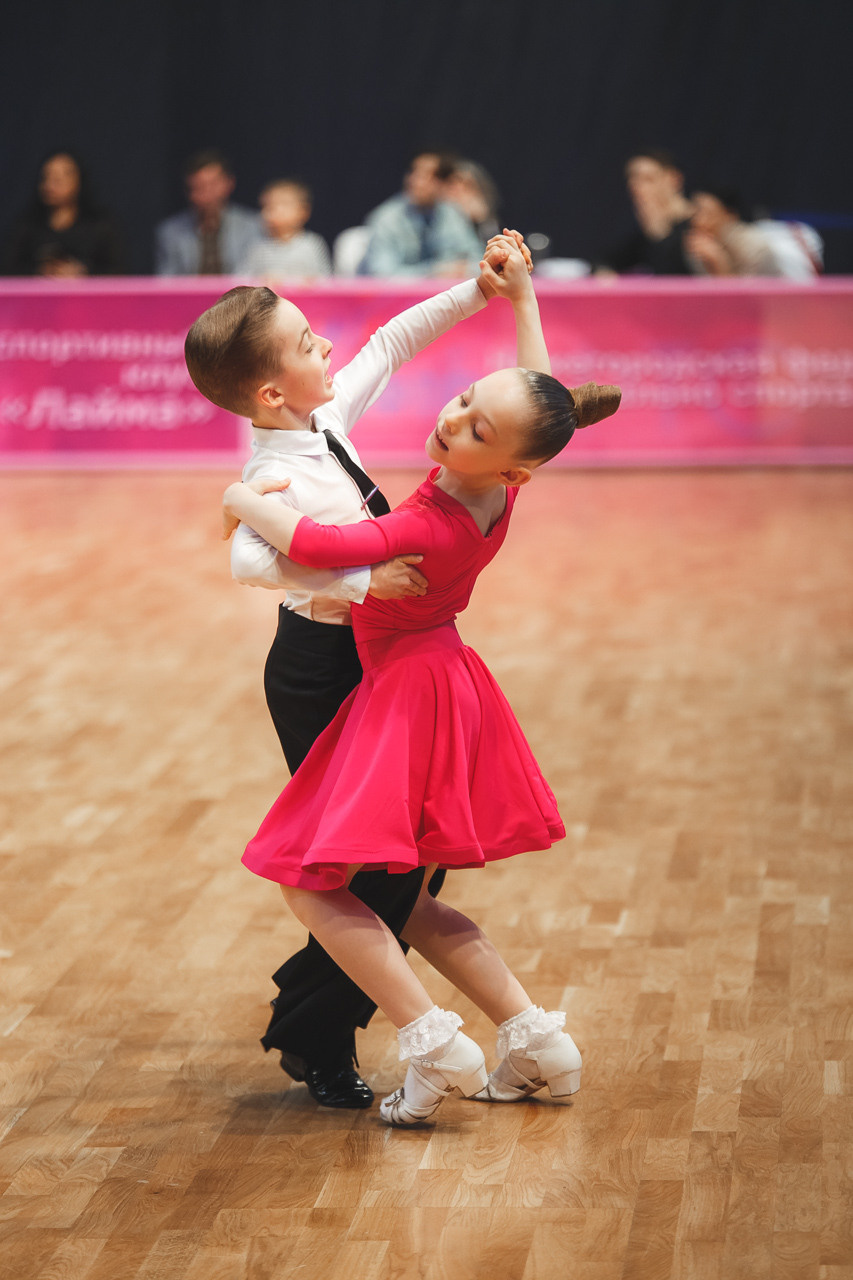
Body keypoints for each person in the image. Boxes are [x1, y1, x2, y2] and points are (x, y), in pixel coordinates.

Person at [221, 238, 621, 1126]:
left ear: (512, 461)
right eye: (464, 404)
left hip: (392, 684)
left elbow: (319, 539)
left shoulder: (422, 506)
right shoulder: (492, 487)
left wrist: (243, 507)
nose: (458, 419)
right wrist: (518, 305)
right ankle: (525, 1041)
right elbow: (535, 409)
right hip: (378, 672)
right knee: (393, 887)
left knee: (354, 884)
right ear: (268, 388)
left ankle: (427, 1041)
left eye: (480, 424)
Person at [185, 232, 531, 1110]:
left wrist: (474, 293)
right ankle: (324, 1039)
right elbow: (249, 567)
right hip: (320, 668)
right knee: (371, 871)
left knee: (403, 870)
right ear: (270, 390)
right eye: (307, 345)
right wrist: (358, 577)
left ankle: (334, 1026)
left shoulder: (321, 419)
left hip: (386, 661)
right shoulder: (269, 469)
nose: (327, 346)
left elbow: (389, 342)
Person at [360, 150, 484, 277]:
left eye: (428, 177)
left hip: (441, 294)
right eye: (414, 173)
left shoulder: (451, 214)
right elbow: (381, 275)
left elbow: (477, 260)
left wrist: (461, 270)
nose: (416, 182)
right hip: (393, 296)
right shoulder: (386, 219)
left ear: (443, 183)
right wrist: (433, 273)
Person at [3, 149, 123, 277]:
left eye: (60, 177)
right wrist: (39, 272)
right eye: (47, 177)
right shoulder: (27, 225)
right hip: (38, 294)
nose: (51, 184)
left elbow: (119, 273)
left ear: (79, 181)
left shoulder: (100, 226)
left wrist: (83, 274)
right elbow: (7, 269)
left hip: (87, 295)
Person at [156, 148, 260, 275]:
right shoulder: (170, 232)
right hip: (189, 295)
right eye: (198, 188)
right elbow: (166, 283)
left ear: (229, 183)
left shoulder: (254, 226)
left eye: (212, 185)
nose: (206, 195)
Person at [596, 148, 694, 276]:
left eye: (648, 179)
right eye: (632, 180)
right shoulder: (647, 230)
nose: (636, 187)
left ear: (674, 179)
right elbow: (607, 260)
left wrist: (659, 235)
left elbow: (677, 277)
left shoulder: (700, 226)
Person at [237, 178, 332, 279]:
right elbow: (239, 280)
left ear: (303, 211)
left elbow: (326, 279)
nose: (268, 212)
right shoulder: (257, 247)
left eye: (277, 206)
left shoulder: (312, 244)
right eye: (265, 207)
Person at [686, 186, 786, 276]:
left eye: (704, 213)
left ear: (729, 215)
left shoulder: (752, 245)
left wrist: (718, 261)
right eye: (693, 213)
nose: (695, 221)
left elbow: (745, 295)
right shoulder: (700, 244)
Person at [444, 158, 501, 242]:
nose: (458, 188)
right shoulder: (436, 213)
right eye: (452, 183)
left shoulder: (484, 220)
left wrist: (479, 219)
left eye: (466, 185)